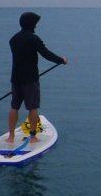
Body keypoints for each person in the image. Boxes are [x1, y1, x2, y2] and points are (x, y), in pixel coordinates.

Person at [7, 11, 67, 145]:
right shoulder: (34, 39)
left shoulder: (13, 39)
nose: (36, 26)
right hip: (30, 79)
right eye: (36, 24)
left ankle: (11, 137)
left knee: (14, 107)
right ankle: (33, 137)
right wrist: (61, 60)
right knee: (33, 108)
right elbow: (46, 54)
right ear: (32, 24)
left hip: (15, 79)